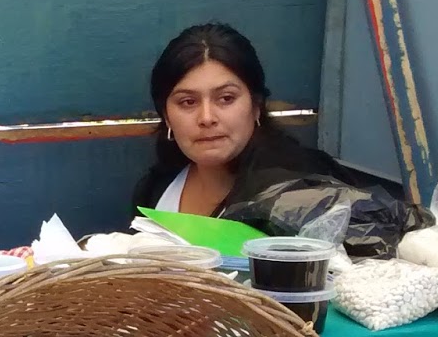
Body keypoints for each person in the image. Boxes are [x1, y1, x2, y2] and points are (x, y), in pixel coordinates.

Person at [132, 22, 370, 217]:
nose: (206, 118)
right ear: (166, 116)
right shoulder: (155, 190)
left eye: (226, 98)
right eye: (188, 102)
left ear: (256, 106)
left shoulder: (301, 190)